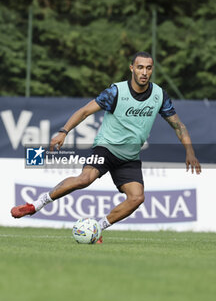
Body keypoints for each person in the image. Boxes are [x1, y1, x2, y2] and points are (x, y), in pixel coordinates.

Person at [11, 51, 201, 241]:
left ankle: (98, 228)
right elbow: (85, 111)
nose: (144, 72)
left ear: (152, 70)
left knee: (137, 198)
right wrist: (64, 131)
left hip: (130, 157)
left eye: (148, 68)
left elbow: (178, 125)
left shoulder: (159, 95)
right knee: (85, 179)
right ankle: (36, 205)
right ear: (132, 68)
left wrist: (189, 151)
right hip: (106, 148)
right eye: (140, 67)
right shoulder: (116, 92)